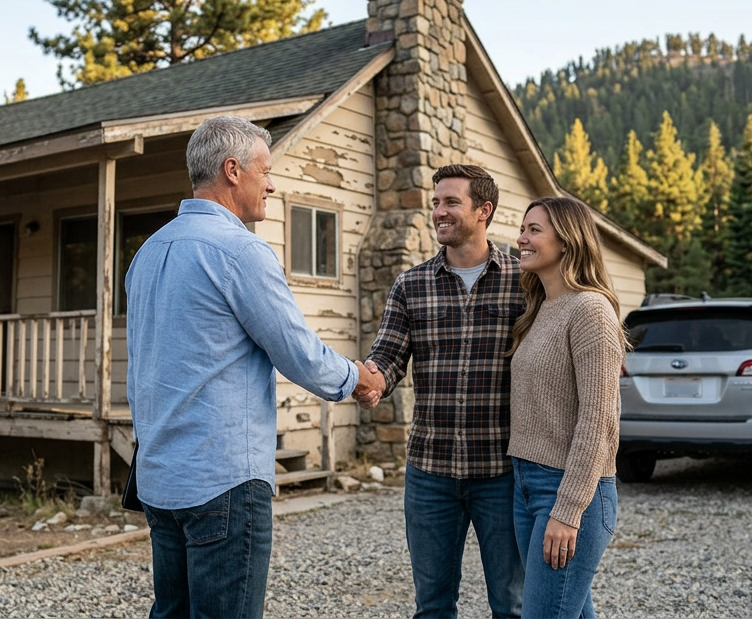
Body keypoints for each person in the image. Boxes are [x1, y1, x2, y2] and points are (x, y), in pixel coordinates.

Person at [125, 115, 384, 619]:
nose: (271, 183)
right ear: (232, 170)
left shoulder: (147, 252)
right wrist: (358, 378)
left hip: (159, 477)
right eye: (265, 171)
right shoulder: (240, 252)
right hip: (221, 478)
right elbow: (296, 350)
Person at [358, 164, 525, 618]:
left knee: (511, 604)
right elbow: (388, 357)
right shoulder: (410, 285)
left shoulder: (523, 281)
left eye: (451, 202)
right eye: (435, 203)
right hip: (431, 473)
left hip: (501, 472)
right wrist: (369, 383)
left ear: (483, 210)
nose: (438, 212)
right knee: (432, 606)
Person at [507, 196, 625, 618]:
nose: (521, 238)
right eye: (523, 229)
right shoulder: (541, 309)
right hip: (526, 484)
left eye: (533, 230)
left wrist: (568, 510)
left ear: (567, 240)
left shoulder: (590, 310)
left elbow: (599, 420)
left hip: (573, 492)